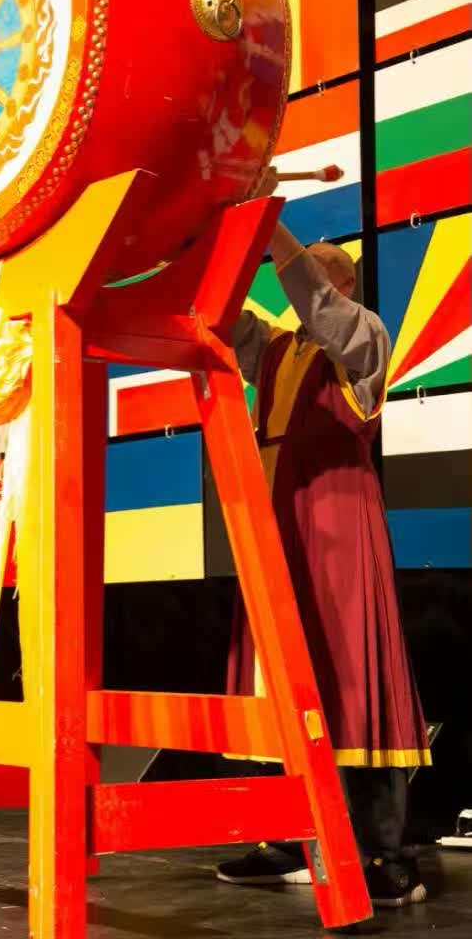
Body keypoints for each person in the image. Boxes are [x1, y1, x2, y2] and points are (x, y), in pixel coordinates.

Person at [216, 166, 431, 908]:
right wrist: (222, 214)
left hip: (339, 527)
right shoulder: (277, 350)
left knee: (353, 674)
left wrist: (270, 223)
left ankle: (383, 853)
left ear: (342, 286)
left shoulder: (364, 337)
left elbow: (319, 305)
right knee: (286, 677)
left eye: (317, 271)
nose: (301, 282)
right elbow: (219, 312)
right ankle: (290, 835)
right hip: (280, 529)